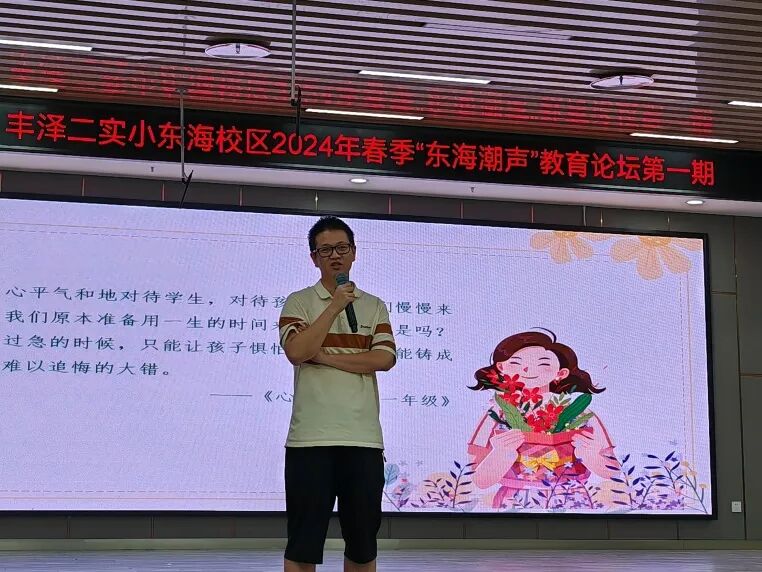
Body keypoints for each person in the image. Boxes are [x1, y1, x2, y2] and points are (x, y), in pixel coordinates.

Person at [278, 216, 396, 572]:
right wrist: (334, 306)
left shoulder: (374, 305)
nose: (335, 256)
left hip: (362, 439)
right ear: (313, 258)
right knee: (303, 545)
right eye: (326, 250)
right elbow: (298, 351)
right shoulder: (298, 302)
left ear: (354, 253)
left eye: (342, 248)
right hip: (310, 439)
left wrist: (326, 357)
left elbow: (384, 358)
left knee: (362, 545)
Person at [467, 331, 616, 509]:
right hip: (513, 502)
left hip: (572, 501)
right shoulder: (498, 411)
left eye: (543, 363)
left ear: (561, 373)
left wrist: (590, 456)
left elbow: (613, 472)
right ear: (501, 367)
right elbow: (478, 481)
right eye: (515, 363)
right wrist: (500, 454)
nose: (527, 370)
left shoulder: (580, 412)